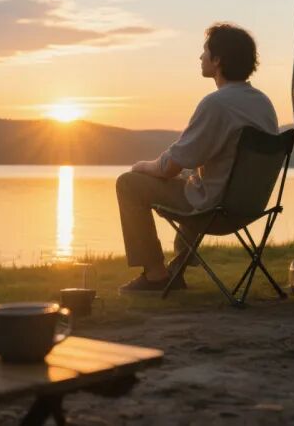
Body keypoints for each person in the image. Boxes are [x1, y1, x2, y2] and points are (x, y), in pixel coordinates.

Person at [116, 23, 278, 294]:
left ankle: (156, 276)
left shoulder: (217, 104)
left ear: (218, 61)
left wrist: (142, 166)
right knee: (190, 180)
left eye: (205, 51)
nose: (200, 57)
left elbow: (168, 167)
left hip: (215, 210)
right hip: (249, 207)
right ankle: (178, 267)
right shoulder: (263, 103)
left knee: (129, 183)